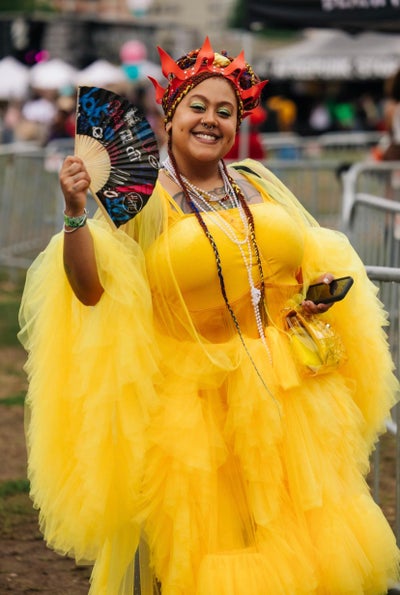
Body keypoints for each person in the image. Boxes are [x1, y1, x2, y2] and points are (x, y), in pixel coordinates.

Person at [19, 37, 400, 595]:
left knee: (301, 536)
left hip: (287, 394)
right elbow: (90, 289)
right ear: (170, 117)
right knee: (211, 552)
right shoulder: (140, 199)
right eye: (198, 107)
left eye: (225, 111)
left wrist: (309, 297)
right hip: (192, 408)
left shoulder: (252, 183)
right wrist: (76, 213)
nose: (211, 120)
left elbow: (277, 276)